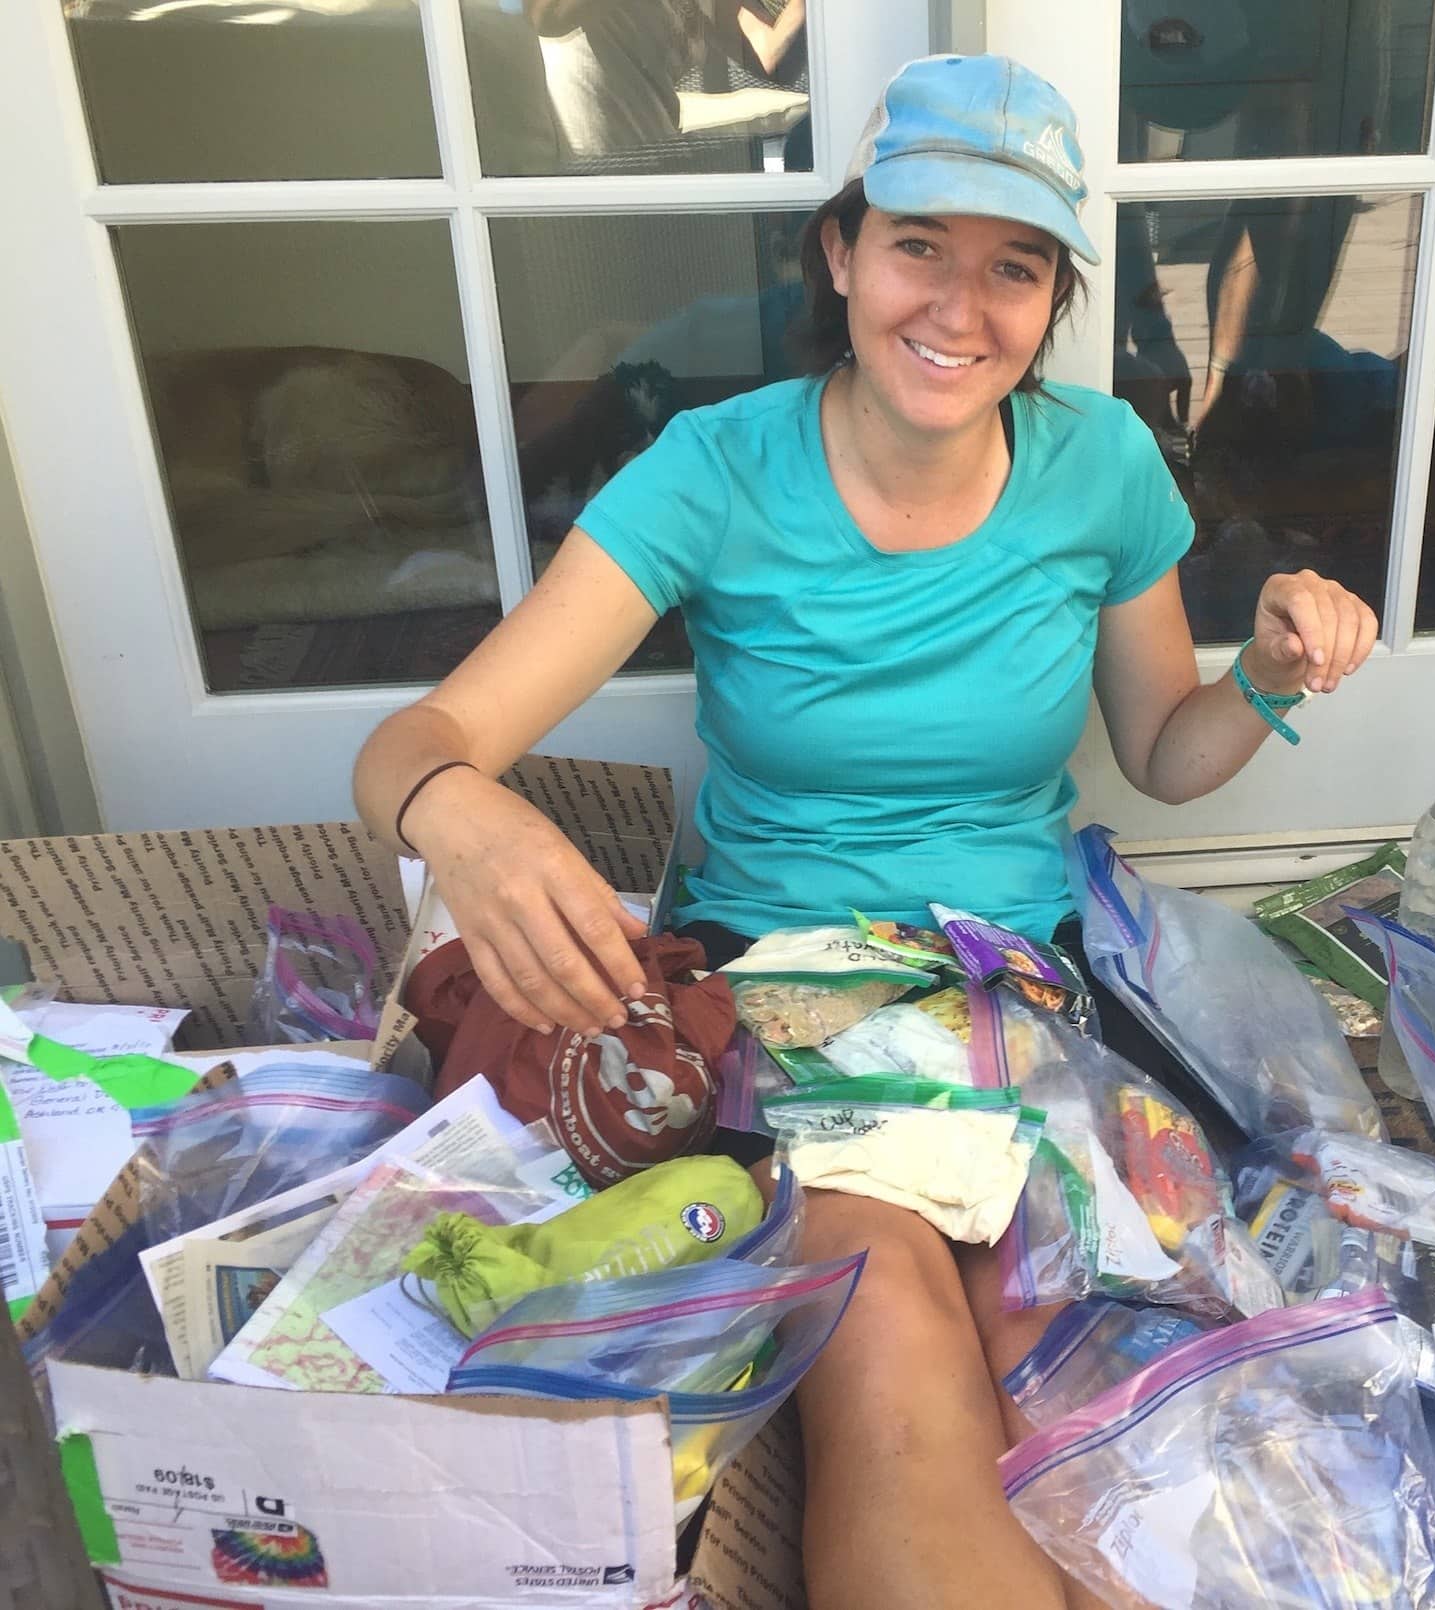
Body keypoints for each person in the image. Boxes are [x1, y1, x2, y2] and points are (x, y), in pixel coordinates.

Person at [353, 53, 1375, 1610]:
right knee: (891, 1325)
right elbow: (417, 744)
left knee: (1078, 1350)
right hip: (790, 988)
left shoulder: (1098, 460)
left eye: (1013, 267)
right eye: (919, 248)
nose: (959, 311)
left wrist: (1271, 678)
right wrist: (464, 818)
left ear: (1052, 297)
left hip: (1021, 991)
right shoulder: (718, 468)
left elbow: (1165, 750)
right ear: (841, 253)